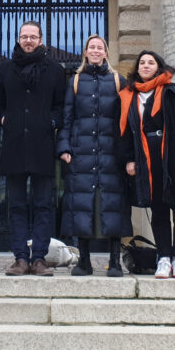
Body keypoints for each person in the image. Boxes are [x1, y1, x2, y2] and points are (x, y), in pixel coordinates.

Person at [119, 50, 175, 279]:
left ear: (158, 67)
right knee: (159, 211)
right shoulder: (129, 96)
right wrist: (129, 159)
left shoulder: (173, 92)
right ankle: (164, 257)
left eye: (150, 62)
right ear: (137, 68)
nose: (146, 66)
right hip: (147, 160)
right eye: (142, 62)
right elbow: (125, 132)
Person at [0, 21, 66, 276]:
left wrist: (51, 122)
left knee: (43, 204)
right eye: (24, 36)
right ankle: (20, 259)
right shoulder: (4, 70)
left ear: (41, 40)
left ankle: (39, 259)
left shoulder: (55, 70)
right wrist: (4, 120)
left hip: (42, 145)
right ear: (18, 39)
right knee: (16, 205)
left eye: (33, 37)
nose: (28, 41)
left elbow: (61, 105)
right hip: (14, 145)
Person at [57, 35, 131, 277]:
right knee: (82, 205)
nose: (96, 51)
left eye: (100, 48)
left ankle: (114, 261)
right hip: (82, 151)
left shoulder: (118, 80)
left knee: (112, 206)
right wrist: (64, 147)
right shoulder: (76, 80)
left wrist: (127, 153)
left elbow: (126, 121)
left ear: (106, 53)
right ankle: (84, 261)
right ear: (85, 52)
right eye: (92, 47)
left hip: (111, 153)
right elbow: (67, 118)